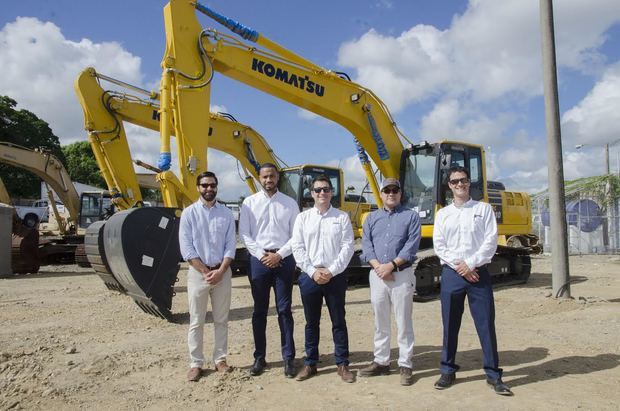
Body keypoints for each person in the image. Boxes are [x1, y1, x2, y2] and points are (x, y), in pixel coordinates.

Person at [432, 166, 512, 396]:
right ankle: (447, 370)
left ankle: (494, 375)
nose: (460, 185)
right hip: (452, 274)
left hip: (478, 273)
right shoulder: (443, 214)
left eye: (463, 180)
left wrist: (472, 264)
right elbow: (440, 245)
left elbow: (490, 241)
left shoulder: (483, 209)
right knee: (450, 324)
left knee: (486, 323)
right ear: (449, 186)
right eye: (455, 181)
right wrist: (461, 266)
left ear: (469, 182)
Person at [291, 175, 355, 383]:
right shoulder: (302, 218)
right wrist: (312, 271)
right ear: (312, 194)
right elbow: (297, 247)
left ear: (331, 192)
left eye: (326, 189)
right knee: (311, 322)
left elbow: (347, 247)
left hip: (334, 277)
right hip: (310, 276)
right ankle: (311, 363)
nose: (322, 193)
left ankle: (342, 363)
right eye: (318, 190)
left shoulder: (341, 217)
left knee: (338, 320)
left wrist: (331, 271)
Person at [239, 163, 300, 378]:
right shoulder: (249, 203)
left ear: (277, 177)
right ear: (259, 178)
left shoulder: (290, 203)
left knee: (284, 310)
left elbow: (297, 235)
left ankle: (288, 358)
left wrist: (279, 255)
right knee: (259, 311)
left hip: (284, 261)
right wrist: (262, 255)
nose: (268, 180)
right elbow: (244, 234)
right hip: (259, 261)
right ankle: (259, 357)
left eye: (272, 176)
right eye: (264, 177)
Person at [359, 177, 421, 386]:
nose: (391, 193)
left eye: (395, 190)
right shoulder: (371, 218)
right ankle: (382, 361)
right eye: (387, 190)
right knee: (380, 321)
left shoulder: (411, 217)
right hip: (377, 275)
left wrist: (391, 266)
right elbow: (366, 246)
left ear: (400, 193)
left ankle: (405, 363)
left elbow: (411, 246)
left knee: (403, 321)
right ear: (382, 193)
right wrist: (379, 267)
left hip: (401, 274)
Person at [179, 171, 236, 382]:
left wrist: (220, 271)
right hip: (198, 274)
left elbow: (231, 245)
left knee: (221, 319)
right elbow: (186, 248)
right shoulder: (189, 214)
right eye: (204, 185)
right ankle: (196, 363)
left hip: (222, 272)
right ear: (198, 188)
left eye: (212, 185)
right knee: (197, 320)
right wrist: (205, 271)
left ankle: (220, 359)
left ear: (217, 187)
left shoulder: (226, 214)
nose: (209, 189)